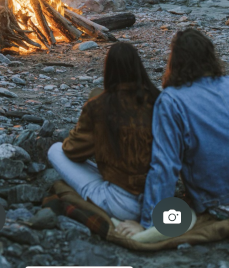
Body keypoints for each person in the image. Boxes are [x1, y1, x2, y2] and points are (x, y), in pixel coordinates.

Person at [117, 27, 229, 238]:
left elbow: (164, 166)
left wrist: (149, 223)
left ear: (175, 61)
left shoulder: (172, 100)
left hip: (216, 201)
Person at [48, 41, 160, 221]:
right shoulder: (158, 100)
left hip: (122, 205)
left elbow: (72, 151)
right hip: (157, 199)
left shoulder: (99, 105)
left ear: (108, 69)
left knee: (55, 150)